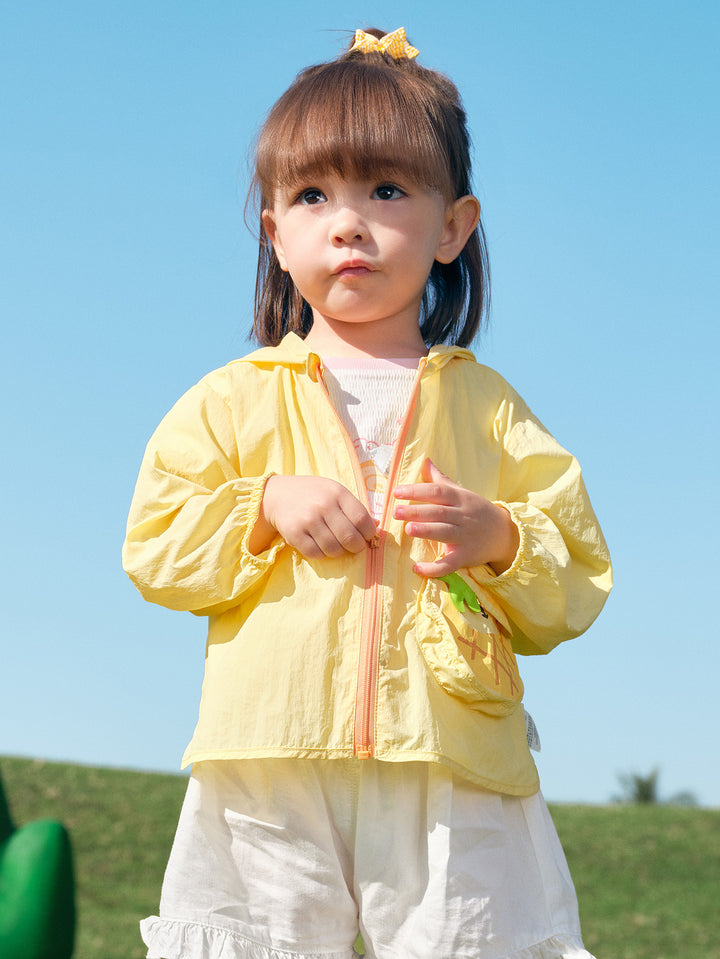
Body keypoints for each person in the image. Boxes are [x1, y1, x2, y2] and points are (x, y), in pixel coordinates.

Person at [123, 26, 612, 959]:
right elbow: (155, 543)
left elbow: (577, 568)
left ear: (453, 226)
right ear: (275, 229)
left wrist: (501, 535)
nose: (347, 222)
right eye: (312, 195)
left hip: (453, 750)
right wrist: (259, 506)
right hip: (269, 752)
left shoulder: (490, 406)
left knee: (474, 941)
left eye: (387, 191)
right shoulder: (231, 399)